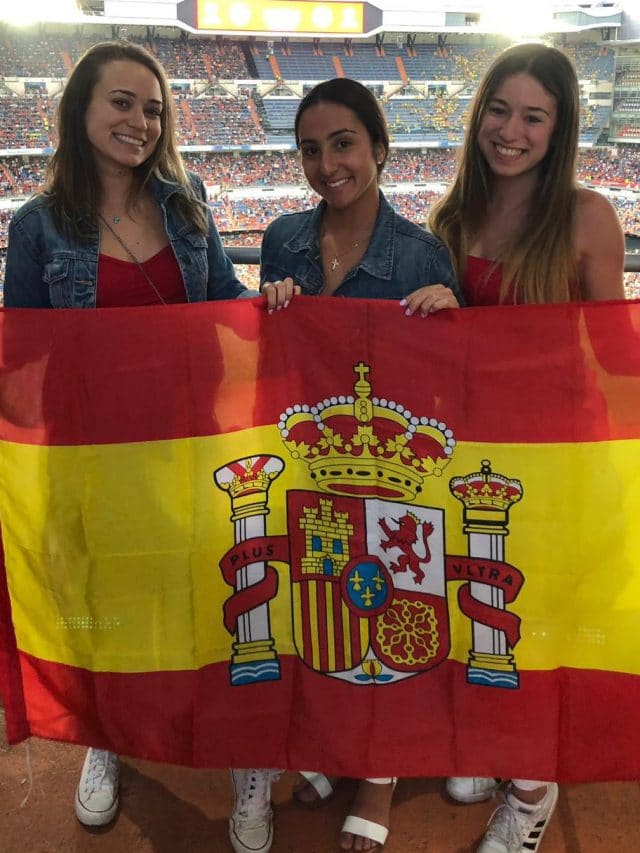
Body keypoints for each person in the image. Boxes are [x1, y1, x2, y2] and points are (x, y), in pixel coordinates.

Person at [3, 40, 293, 829]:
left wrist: (271, 298)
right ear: (82, 110)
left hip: (189, 447)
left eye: (153, 108)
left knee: (217, 597)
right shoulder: (36, 228)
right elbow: (25, 357)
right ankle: (109, 736)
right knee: (111, 601)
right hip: (94, 458)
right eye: (122, 103)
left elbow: (221, 295)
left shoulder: (187, 197)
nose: (140, 121)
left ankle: (244, 753)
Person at [230, 78, 462, 853]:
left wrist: (445, 319)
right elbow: (270, 359)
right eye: (309, 148)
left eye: (343, 144)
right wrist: (273, 305)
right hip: (309, 466)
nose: (327, 164)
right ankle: (332, 741)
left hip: (390, 481)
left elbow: (452, 392)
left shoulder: (423, 253)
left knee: (395, 610)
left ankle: (382, 775)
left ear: (380, 149)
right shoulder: (281, 238)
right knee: (318, 606)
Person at [407, 42, 625, 853]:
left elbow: (615, 356)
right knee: (478, 612)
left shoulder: (587, 216)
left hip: (557, 465)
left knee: (530, 628)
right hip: (469, 462)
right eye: (499, 109)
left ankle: (532, 794)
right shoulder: (452, 217)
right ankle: (495, 750)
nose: (511, 130)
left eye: (534, 116)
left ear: (558, 129)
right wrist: (439, 308)